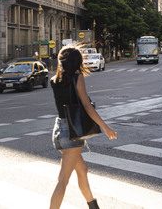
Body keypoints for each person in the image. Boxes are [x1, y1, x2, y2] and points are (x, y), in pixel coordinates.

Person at [49, 46, 117, 209]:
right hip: (71, 133)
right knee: (63, 180)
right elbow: (86, 106)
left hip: (59, 130)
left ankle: (93, 206)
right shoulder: (77, 78)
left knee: (82, 169)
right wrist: (105, 127)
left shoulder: (54, 80)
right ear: (77, 62)